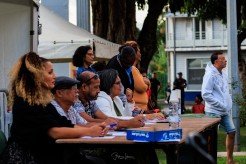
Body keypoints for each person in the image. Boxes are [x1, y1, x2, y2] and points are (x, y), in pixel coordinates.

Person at [1, 52, 107, 164]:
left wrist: (96, 127)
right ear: (37, 76)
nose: (54, 76)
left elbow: (65, 124)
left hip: (44, 154)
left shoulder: (43, 102)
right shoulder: (26, 103)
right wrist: (89, 131)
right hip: (27, 158)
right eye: (50, 72)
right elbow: (54, 132)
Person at [74, 71, 145, 129]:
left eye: (99, 87)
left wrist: (131, 121)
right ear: (84, 87)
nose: (99, 90)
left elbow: (105, 118)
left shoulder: (91, 100)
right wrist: (126, 123)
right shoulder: (75, 100)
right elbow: (88, 121)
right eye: (96, 87)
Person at [202, 52, 236, 164]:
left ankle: (229, 160)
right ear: (216, 62)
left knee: (231, 132)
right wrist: (221, 104)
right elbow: (206, 94)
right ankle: (209, 160)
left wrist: (226, 104)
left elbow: (224, 91)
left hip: (224, 110)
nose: (225, 61)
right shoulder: (210, 75)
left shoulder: (223, 73)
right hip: (213, 111)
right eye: (223, 59)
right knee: (211, 138)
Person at [96, 69, 164, 120]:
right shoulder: (102, 101)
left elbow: (126, 116)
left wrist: (129, 101)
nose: (121, 86)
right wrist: (146, 117)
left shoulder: (116, 99)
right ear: (108, 85)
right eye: (118, 83)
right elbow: (112, 121)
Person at [124, 41, 150, 111]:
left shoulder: (135, 69)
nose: (140, 54)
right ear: (134, 54)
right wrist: (147, 83)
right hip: (138, 107)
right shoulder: (132, 69)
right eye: (139, 52)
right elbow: (141, 87)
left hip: (140, 107)